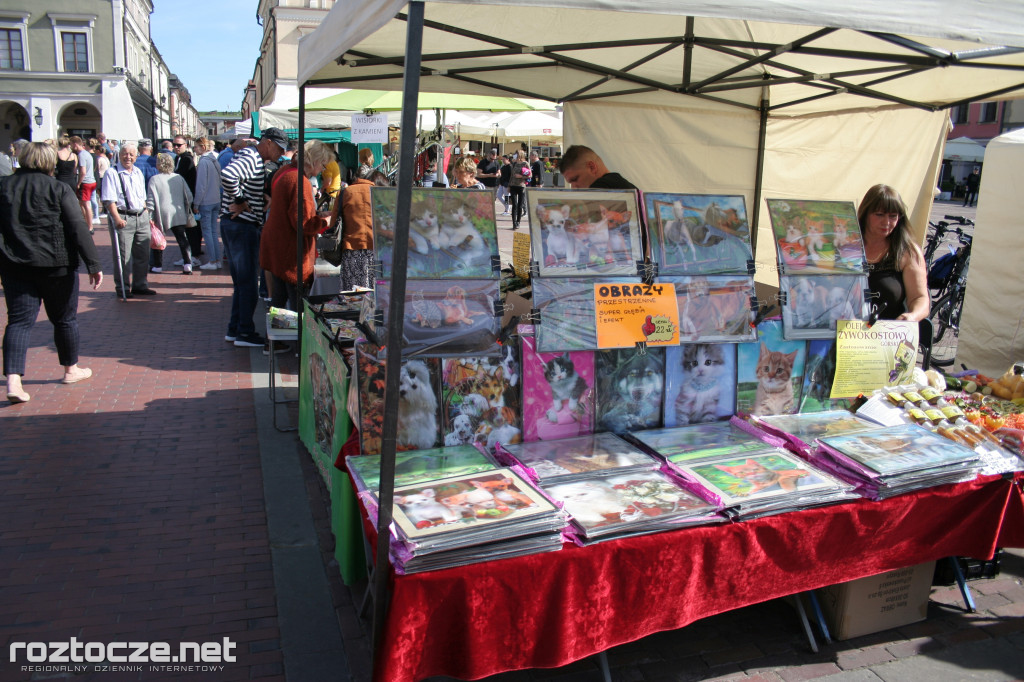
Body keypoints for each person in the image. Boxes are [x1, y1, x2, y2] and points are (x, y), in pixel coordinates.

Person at [0, 141, 104, 403]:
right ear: (50, 162)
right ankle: (70, 369)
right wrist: (93, 263)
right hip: (56, 264)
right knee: (65, 319)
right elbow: (77, 226)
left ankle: (13, 380)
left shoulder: (4, 186)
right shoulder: (59, 188)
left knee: (19, 322)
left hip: (16, 264)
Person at [219, 127, 288, 349]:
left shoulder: (252, 158)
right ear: (267, 142)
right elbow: (228, 176)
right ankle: (244, 332)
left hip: (238, 225)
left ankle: (236, 328)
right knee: (248, 282)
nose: (280, 153)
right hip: (242, 226)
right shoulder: (251, 157)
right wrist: (241, 200)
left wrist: (258, 197)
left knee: (242, 283)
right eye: (279, 148)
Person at [260, 141, 334, 313]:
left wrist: (316, 215)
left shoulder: (285, 171)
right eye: (323, 165)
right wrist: (326, 221)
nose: (322, 170)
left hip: (279, 246)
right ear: (315, 160)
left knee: (279, 301)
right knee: (297, 307)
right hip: (290, 253)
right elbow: (304, 224)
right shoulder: (299, 180)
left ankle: (275, 339)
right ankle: (296, 340)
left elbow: (293, 214)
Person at [858, 184, 929, 322]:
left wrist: (912, 316)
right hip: (843, 332)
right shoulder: (845, 246)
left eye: (893, 216)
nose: (887, 222)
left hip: (889, 335)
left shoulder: (908, 252)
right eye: (879, 215)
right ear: (865, 214)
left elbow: (920, 298)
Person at [101, 143, 155, 298]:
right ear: (120, 155)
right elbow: (109, 199)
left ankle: (140, 285)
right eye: (125, 154)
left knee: (143, 254)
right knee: (123, 256)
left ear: (136, 156)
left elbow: (141, 196)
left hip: (141, 216)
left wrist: (146, 214)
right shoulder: (112, 173)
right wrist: (116, 218)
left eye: (131, 154)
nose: (128, 157)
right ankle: (123, 287)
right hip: (123, 217)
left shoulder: (137, 171)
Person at [336, 170, 390, 291]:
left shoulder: (345, 192)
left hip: (351, 252)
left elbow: (334, 222)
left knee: (352, 297)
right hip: (377, 252)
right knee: (377, 295)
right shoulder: (380, 193)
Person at [147, 153, 196, 275]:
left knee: (158, 239)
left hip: (160, 212)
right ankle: (187, 264)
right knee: (182, 239)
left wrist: (150, 215)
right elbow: (189, 196)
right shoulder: (178, 177)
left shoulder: (154, 179)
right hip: (177, 212)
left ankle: (158, 265)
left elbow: (151, 200)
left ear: (159, 165)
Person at [192, 137, 223, 269]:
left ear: (203, 147)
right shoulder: (214, 160)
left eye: (196, 147)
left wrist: (196, 204)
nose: (195, 149)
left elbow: (201, 186)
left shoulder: (204, 162)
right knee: (213, 232)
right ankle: (216, 260)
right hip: (216, 199)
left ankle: (212, 260)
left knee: (208, 232)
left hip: (206, 201)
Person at [558, 144, 637, 190]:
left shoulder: (601, 186)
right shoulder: (621, 183)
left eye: (575, 179)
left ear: (592, 167)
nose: (574, 187)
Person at [70, 136, 96, 231]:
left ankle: (90, 227)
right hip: (91, 181)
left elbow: (83, 171)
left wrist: (79, 183)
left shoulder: (81, 155)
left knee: (86, 204)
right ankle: (86, 223)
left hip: (86, 182)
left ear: (75, 144)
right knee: (82, 203)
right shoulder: (87, 153)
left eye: (72, 145)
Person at [507, 150, 530, 229]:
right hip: (513, 185)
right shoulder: (514, 164)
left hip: (521, 186)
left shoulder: (525, 164)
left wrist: (521, 177)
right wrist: (509, 186)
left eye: (516, 154)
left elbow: (530, 175)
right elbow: (511, 175)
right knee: (514, 205)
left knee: (520, 205)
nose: (514, 156)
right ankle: (514, 223)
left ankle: (518, 221)